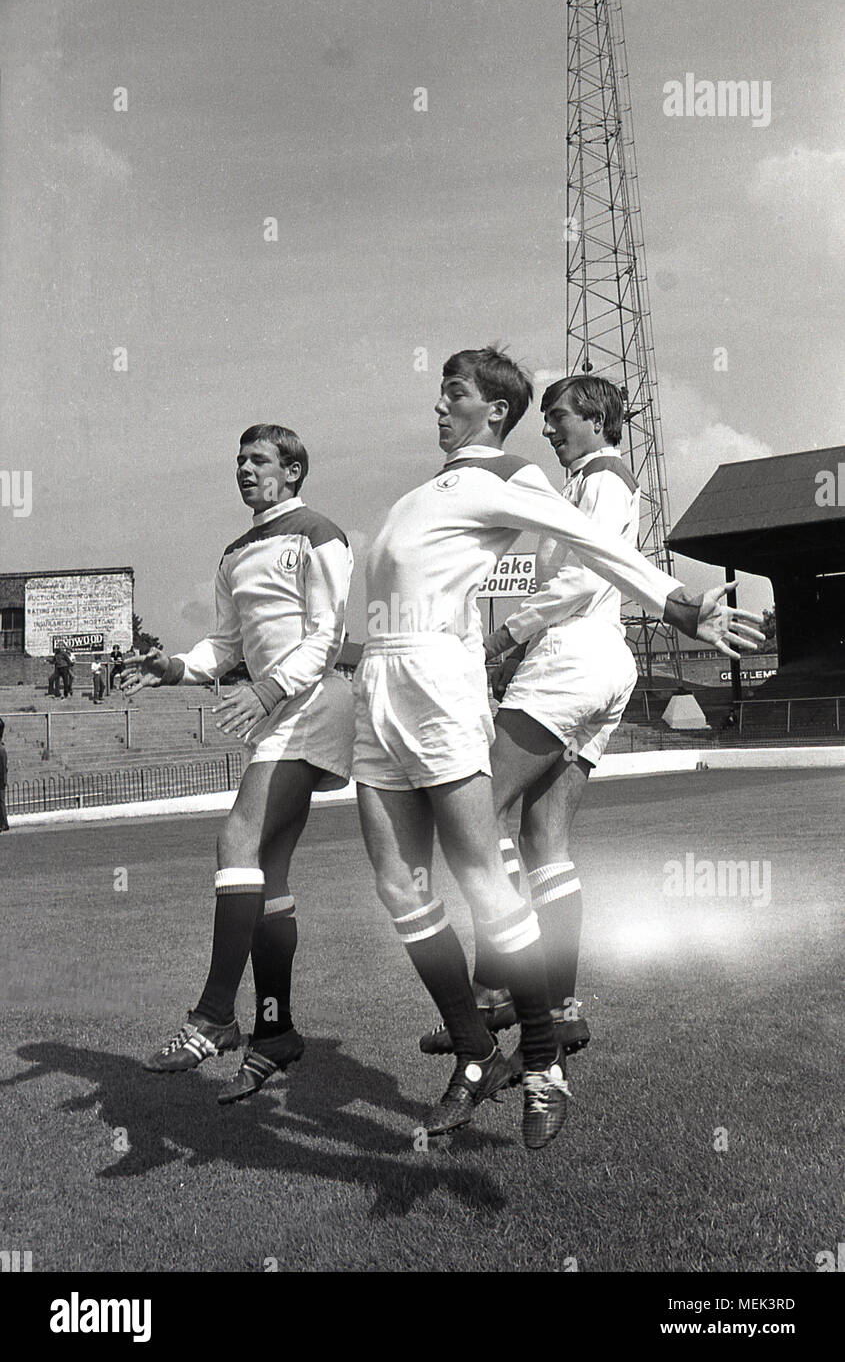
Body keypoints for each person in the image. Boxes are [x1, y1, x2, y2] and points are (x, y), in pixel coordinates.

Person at [354, 347, 762, 1151]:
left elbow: (598, 550)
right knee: (406, 884)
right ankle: (480, 1045)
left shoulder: (517, 478)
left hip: (464, 671)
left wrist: (678, 607)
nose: (438, 407)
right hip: (380, 680)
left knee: (480, 855)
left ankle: (535, 1047)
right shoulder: (427, 490)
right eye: (438, 394)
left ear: (492, 410)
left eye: (455, 395)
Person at [419, 375, 660, 1067]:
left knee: (476, 811)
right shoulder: (595, 479)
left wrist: (504, 637)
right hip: (602, 662)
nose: (549, 430)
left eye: (558, 418)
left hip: (571, 657)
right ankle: (559, 1008)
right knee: (542, 839)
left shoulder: (603, 478)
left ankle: (495, 990)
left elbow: (582, 579)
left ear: (596, 417)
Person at [121, 424, 354, 1102]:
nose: (245, 471)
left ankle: (214, 1016)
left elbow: (327, 634)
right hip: (274, 709)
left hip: (311, 705)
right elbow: (221, 647)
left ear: (293, 470)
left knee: (235, 839)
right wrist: (169, 666)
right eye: (240, 461)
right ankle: (274, 1030)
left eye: (259, 460)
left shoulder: (319, 533)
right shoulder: (233, 553)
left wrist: (266, 690)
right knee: (267, 876)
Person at [0, 719, 9, 833]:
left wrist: (2, 781)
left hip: (0, 780)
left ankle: (3, 823)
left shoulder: (1, 750)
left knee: (1, 802)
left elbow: (2, 767)